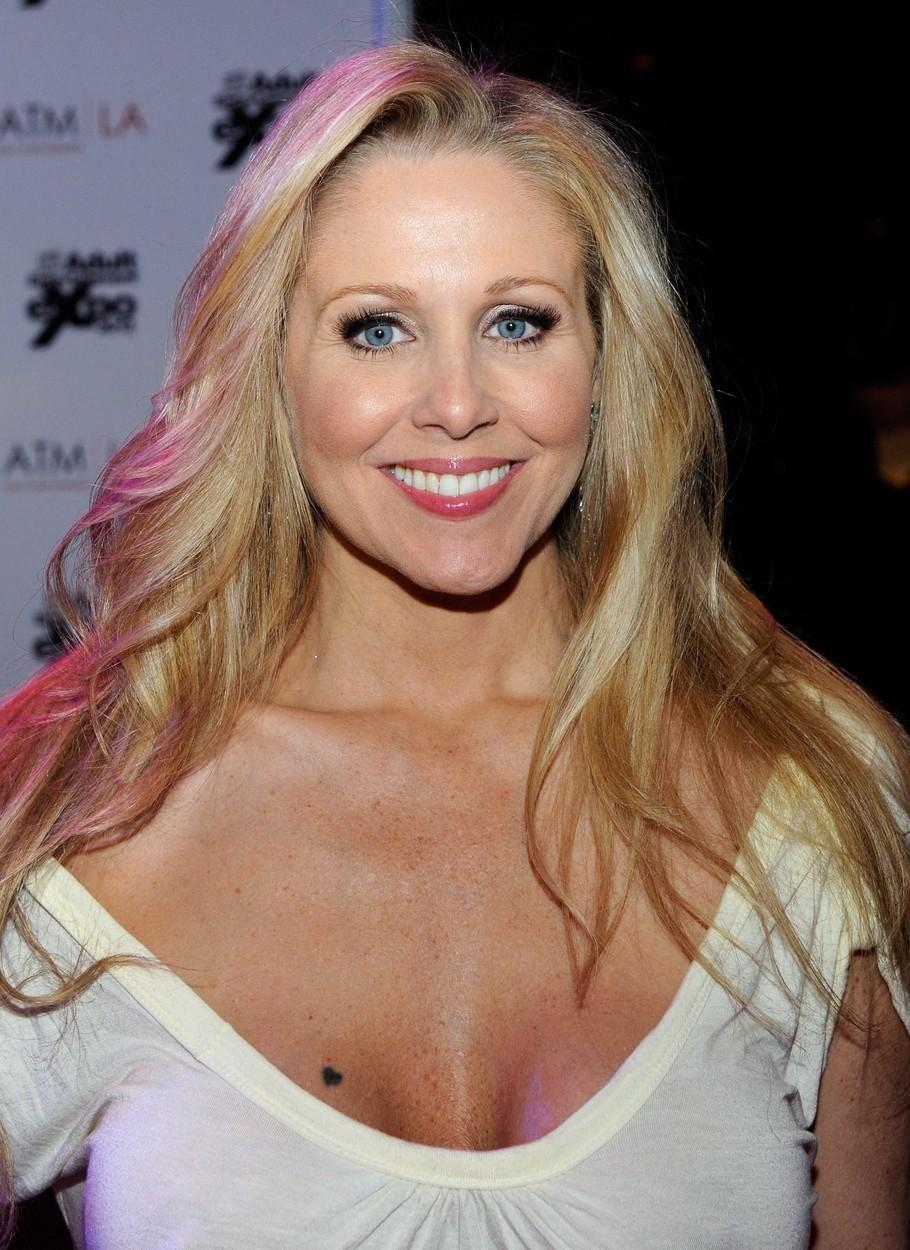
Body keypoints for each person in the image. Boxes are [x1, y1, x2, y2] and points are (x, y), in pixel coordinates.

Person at [1, 40, 909, 1250]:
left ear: (605, 362)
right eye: (377, 329)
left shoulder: (810, 789)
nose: (456, 402)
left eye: (518, 322)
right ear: (272, 371)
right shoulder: (75, 818)